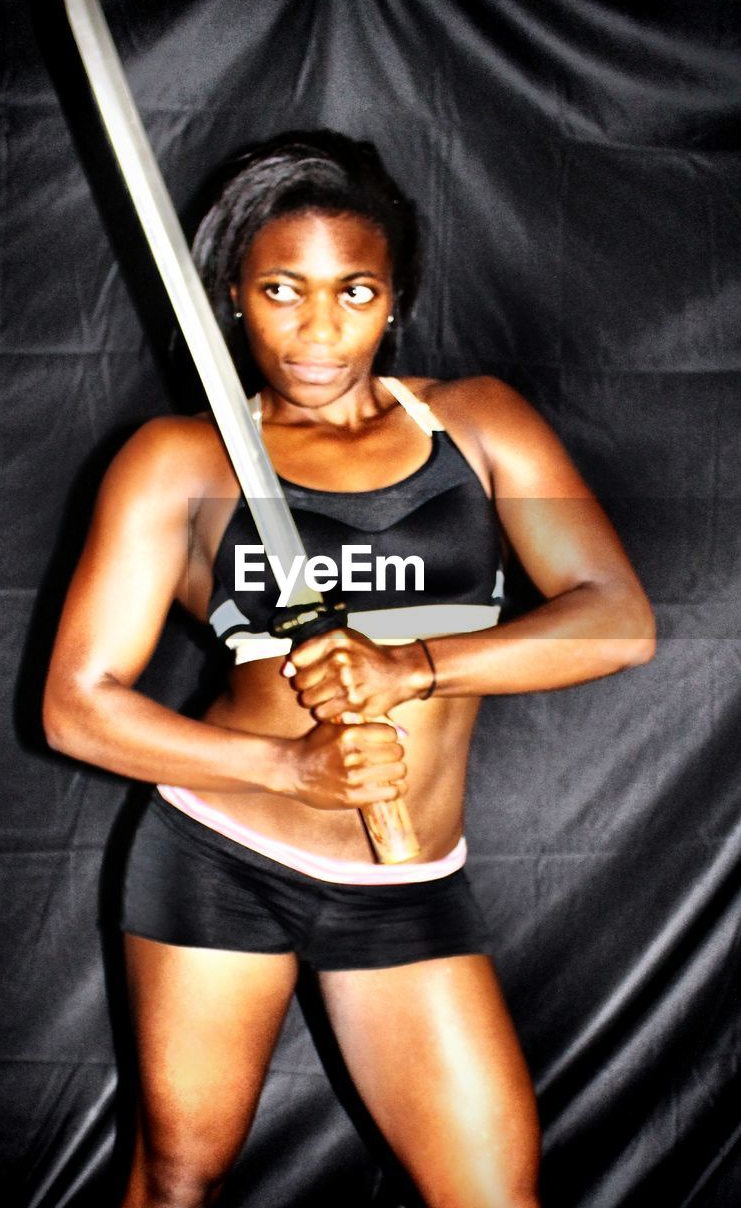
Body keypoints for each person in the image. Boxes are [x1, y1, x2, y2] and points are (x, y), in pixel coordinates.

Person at [43, 131, 655, 1208]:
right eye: (280, 288)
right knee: (178, 1177)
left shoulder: (478, 424)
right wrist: (288, 770)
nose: (318, 329)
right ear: (233, 294)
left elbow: (614, 619)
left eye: (353, 289)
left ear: (394, 296)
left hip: (401, 879)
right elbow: (76, 709)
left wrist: (408, 666)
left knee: (490, 1191)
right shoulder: (176, 461)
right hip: (219, 852)